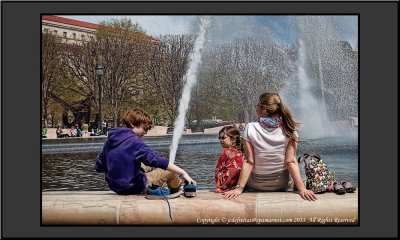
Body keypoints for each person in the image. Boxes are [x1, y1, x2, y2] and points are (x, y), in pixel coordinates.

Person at [222, 92, 317, 201]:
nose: (256, 109)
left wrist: (238, 189)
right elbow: (290, 161)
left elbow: (249, 161)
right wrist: (302, 189)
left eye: (257, 106)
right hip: (283, 184)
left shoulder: (251, 128)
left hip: (257, 184)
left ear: (264, 109)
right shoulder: (290, 129)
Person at [95, 108, 196, 195]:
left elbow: (99, 167)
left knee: (148, 165)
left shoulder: (109, 141)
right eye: (145, 128)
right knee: (169, 170)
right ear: (133, 123)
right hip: (134, 187)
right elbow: (156, 160)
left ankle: (163, 186)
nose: (145, 132)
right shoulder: (134, 141)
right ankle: (179, 188)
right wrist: (183, 173)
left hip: (115, 187)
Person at [214, 126, 244, 193]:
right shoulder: (241, 151)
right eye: (219, 138)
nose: (220, 140)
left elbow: (218, 170)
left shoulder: (226, 152)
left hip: (227, 184)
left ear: (233, 139)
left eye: (223, 138)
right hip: (240, 182)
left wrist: (218, 184)